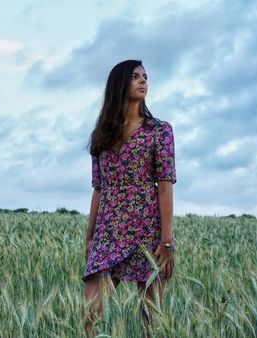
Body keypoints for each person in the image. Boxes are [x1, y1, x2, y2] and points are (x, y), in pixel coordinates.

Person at [83, 60, 176, 336]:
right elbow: (98, 189)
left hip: (149, 230)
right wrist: (89, 238)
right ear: (119, 83)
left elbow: (165, 186)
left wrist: (167, 240)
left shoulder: (160, 131)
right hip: (108, 232)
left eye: (145, 77)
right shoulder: (102, 134)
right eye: (135, 76)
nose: (143, 81)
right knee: (90, 315)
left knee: (152, 321)